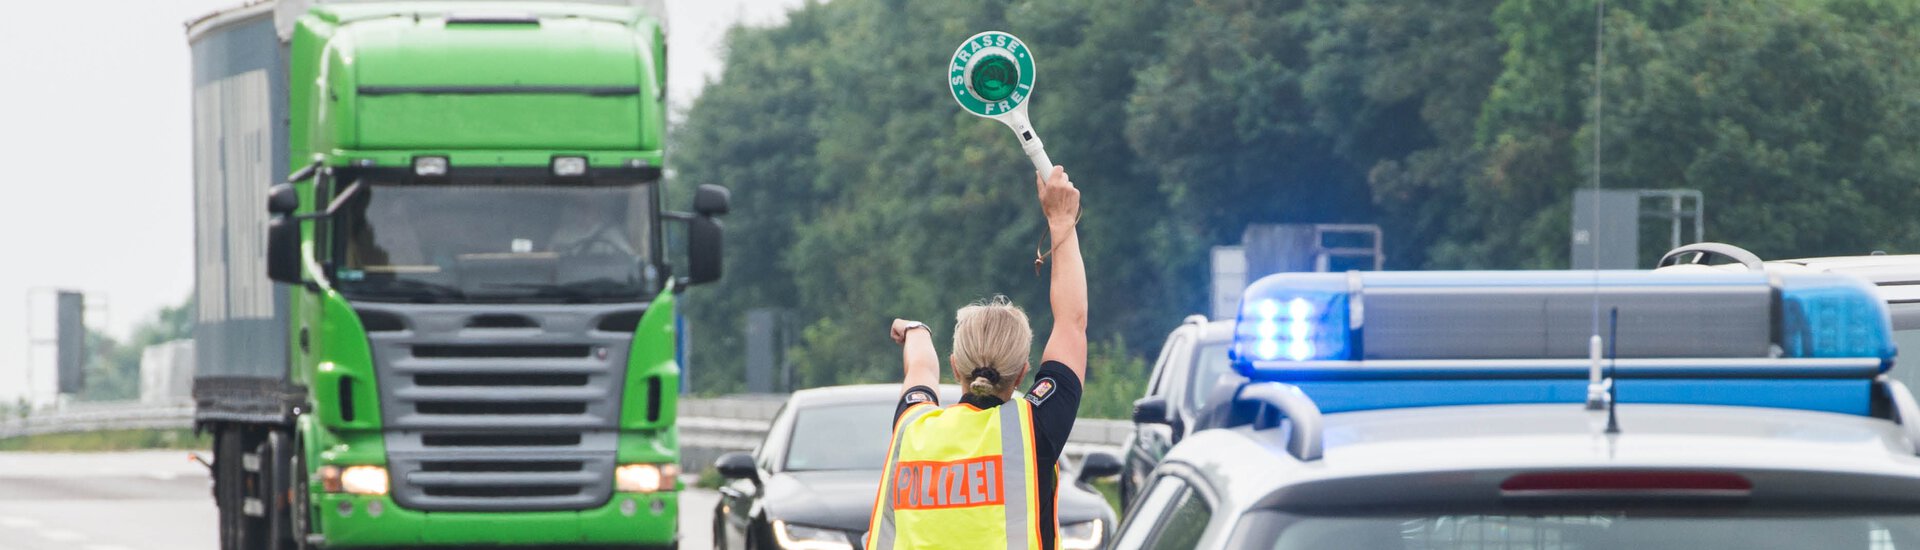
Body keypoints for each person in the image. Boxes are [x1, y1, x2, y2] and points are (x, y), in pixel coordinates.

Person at [865, 166, 1086, 550]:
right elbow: (1072, 322)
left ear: (955, 367)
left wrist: (915, 330)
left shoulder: (913, 428)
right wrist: (1061, 218)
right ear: (1021, 375)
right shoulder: (1032, 431)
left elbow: (920, 368)